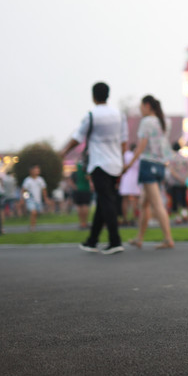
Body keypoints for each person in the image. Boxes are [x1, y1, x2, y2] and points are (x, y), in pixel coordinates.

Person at [59, 82, 128, 254]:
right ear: (108, 95)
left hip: (99, 164)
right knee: (104, 200)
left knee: (106, 201)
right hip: (115, 163)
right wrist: (123, 161)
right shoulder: (119, 115)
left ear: (93, 96)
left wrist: (64, 152)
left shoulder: (91, 115)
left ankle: (115, 241)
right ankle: (92, 240)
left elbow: (78, 137)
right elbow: (124, 140)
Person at [123, 95, 175, 249]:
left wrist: (129, 164)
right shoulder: (165, 121)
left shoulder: (146, 122)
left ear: (147, 105)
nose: (140, 109)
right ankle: (139, 238)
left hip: (148, 164)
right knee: (143, 203)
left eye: (141, 106)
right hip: (160, 164)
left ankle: (168, 239)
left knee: (157, 204)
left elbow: (141, 145)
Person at [21, 165, 49, 231]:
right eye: (36, 170)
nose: (37, 171)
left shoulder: (40, 179)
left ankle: (33, 224)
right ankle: (32, 227)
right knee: (33, 212)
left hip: (38, 199)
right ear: (31, 171)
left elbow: (44, 189)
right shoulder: (27, 180)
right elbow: (24, 190)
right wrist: (24, 198)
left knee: (36, 213)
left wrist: (45, 198)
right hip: (30, 199)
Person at [119, 143, 141, 226]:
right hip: (135, 179)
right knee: (135, 200)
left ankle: (125, 218)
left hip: (126, 178)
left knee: (125, 200)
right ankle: (133, 218)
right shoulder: (137, 157)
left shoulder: (126, 155)